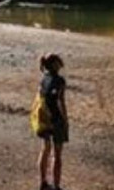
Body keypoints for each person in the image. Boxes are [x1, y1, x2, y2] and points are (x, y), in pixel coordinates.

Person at [31, 53, 68, 190]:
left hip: (44, 119)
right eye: (59, 60)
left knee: (45, 149)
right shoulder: (60, 81)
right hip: (56, 119)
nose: (61, 62)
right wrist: (65, 120)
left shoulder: (43, 79)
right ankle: (57, 186)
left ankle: (43, 182)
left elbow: (40, 99)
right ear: (55, 64)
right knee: (57, 154)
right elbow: (60, 102)